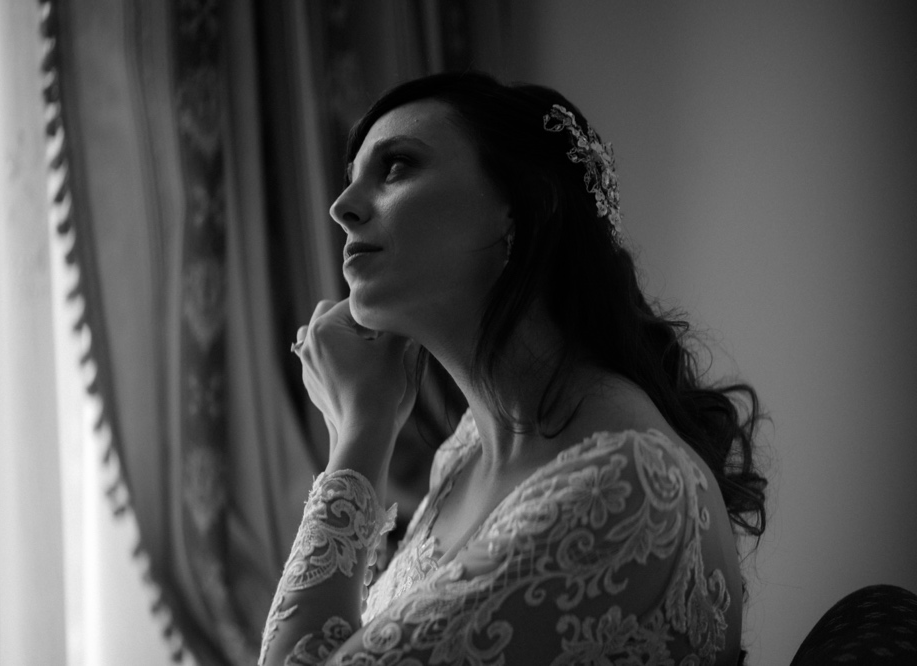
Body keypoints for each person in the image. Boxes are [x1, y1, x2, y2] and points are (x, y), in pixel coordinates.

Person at [261, 71, 767, 665]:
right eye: (351, 179)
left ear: (525, 207)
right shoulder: (466, 453)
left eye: (395, 166)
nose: (340, 208)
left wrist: (360, 430)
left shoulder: (622, 482)